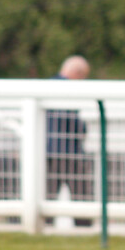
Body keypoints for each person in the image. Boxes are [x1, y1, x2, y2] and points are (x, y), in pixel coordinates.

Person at [46, 56, 93, 210]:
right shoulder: (66, 88)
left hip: (48, 151)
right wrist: (83, 130)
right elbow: (70, 120)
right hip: (68, 151)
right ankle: (84, 225)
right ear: (78, 73)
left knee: (48, 195)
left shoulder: (49, 84)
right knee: (81, 194)